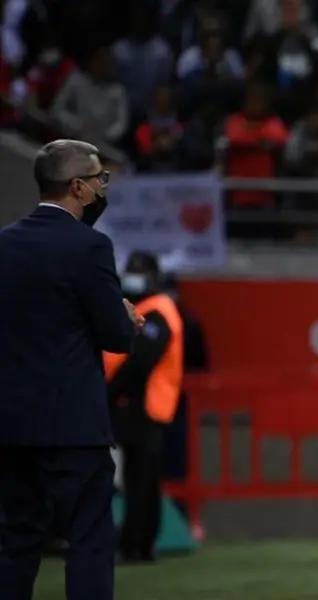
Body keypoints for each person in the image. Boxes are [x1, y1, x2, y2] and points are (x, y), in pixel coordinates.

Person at [0, 140, 140, 600]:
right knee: (89, 542)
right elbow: (115, 336)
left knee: (16, 542)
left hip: (13, 425)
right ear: (78, 186)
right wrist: (126, 317)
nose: (104, 186)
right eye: (100, 179)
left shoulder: (5, 243)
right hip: (74, 428)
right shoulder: (90, 247)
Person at [103, 251, 184, 563]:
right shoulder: (149, 309)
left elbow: (141, 362)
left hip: (144, 405)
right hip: (145, 405)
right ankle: (140, 543)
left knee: (139, 478)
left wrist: (110, 392)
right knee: (142, 477)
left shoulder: (158, 312)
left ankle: (136, 543)